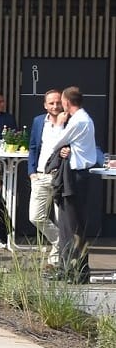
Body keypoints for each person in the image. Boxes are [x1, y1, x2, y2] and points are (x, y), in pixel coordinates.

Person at [51, 86, 103, 281]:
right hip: (77, 175)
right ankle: (69, 269)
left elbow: (57, 141)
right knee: (69, 225)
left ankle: (76, 271)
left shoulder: (78, 121)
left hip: (75, 176)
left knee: (71, 225)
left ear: (66, 103)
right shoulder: (84, 119)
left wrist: (59, 124)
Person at [29, 89, 68, 264]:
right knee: (35, 217)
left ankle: (55, 262)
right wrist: (31, 172)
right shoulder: (38, 121)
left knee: (62, 219)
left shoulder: (70, 122)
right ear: (45, 105)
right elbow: (33, 147)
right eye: (51, 103)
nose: (55, 106)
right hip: (40, 176)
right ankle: (64, 242)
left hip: (61, 176)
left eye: (58, 102)